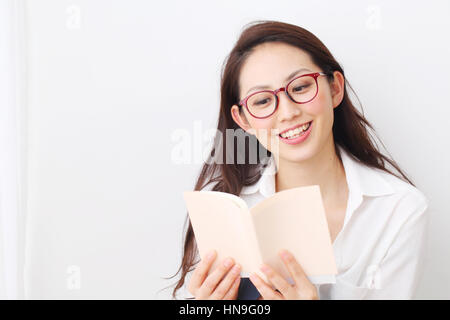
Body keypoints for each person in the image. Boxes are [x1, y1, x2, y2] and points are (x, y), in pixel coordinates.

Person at [170, 20, 429, 300]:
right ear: (242, 120)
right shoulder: (224, 209)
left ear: (335, 88)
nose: (288, 112)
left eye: (301, 86)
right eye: (262, 101)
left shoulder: (398, 209)